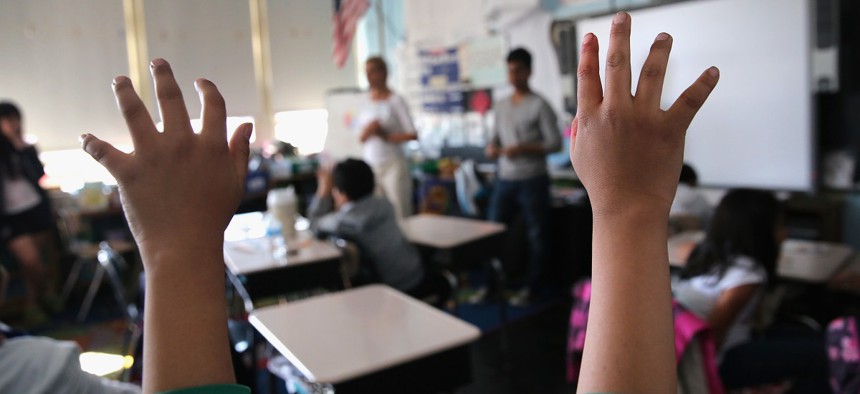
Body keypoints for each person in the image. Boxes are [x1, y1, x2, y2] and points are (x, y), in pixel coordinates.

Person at [79, 10, 719, 392]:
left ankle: (518, 282)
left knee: (512, 230)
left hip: (404, 178)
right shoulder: (381, 106)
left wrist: (177, 248)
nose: (378, 80)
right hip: (381, 179)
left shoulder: (425, 109)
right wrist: (629, 205)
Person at [674, 189, 829, 391]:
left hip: (697, 347)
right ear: (760, 231)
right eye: (780, 225)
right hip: (715, 361)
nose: (786, 233)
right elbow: (713, 338)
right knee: (821, 355)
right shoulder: (747, 277)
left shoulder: (705, 254)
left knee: (819, 339)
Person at [484, 47, 562, 305]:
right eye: (509, 71)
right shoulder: (502, 106)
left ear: (529, 72)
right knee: (492, 232)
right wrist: (493, 149)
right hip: (505, 178)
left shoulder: (540, 105)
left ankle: (533, 288)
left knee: (536, 236)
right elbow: (493, 140)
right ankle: (492, 286)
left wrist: (523, 148)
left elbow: (555, 144)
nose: (513, 76)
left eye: (518, 70)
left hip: (532, 178)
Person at [307, 158, 425, 293]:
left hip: (390, 290)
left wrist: (323, 190)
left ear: (341, 193)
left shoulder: (344, 221)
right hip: (415, 275)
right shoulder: (385, 204)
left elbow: (314, 225)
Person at [0, 102, 57, 327]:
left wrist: (21, 148)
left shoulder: (26, 147)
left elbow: (38, 175)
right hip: (11, 218)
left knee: (37, 263)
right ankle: (44, 296)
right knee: (32, 262)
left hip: (35, 210)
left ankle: (33, 305)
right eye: (7, 119)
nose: (13, 124)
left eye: (16, 118)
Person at [356, 56, 417, 222]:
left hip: (392, 163)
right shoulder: (364, 101)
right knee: (376, 213)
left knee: (399, 210)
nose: (369, 76)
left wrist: (385, 135)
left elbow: (412, 134)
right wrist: (369, 131)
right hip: (371, 164)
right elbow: (360, 137)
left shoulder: (396, 100)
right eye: (366, 72)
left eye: (373, 71)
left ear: (383, 72)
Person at [670, 163, 712, 230]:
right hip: (691, 235)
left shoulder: (665, 195)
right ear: (692, 181)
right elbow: (710, 218)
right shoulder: (697, 196)